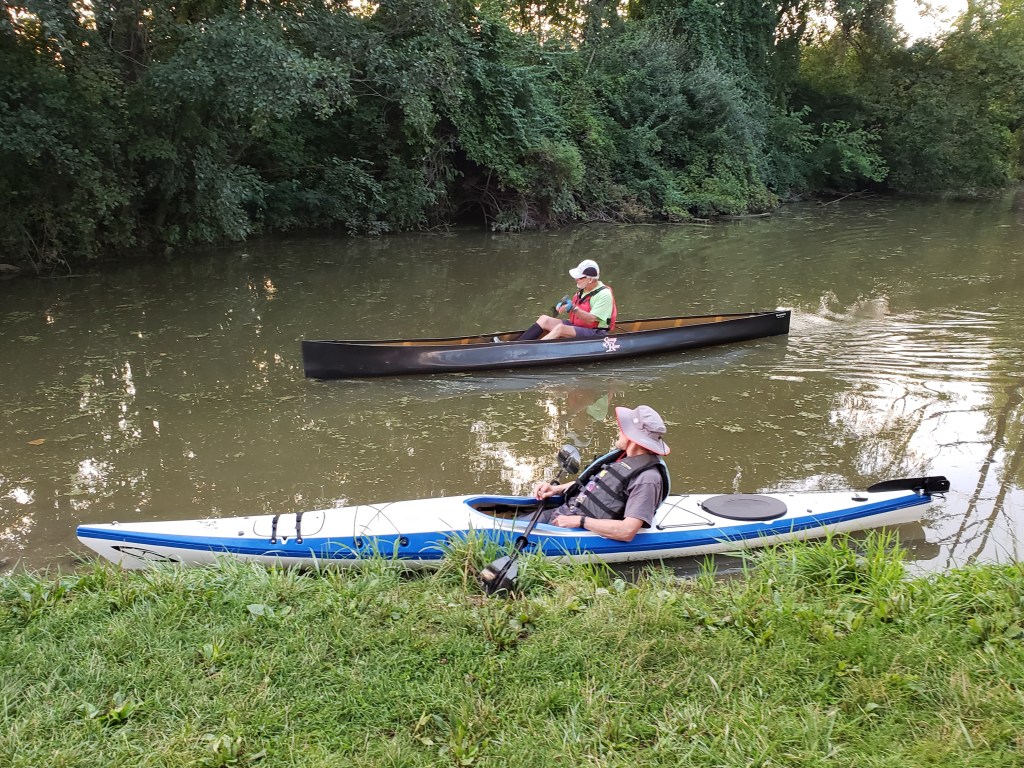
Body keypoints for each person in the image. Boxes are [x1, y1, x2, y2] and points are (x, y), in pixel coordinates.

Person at [533, 405, 670, 542]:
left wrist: (579, 521)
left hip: (575, 532)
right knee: (515, 516)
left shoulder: (648, 478)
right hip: (562, 513)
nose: (619, 432)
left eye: (622, 429)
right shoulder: (625, 458)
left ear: (632, 437)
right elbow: (596, 485)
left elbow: (627, 531)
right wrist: (555, 489)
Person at [516, 259, 617, 341]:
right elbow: (576, 308)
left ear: (590, 279)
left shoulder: (604, 295)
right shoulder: (583, 290)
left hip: (596, 333)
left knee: (560, 328)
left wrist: (572, 308)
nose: (576, 279)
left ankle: (529, 350)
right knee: (544, 319)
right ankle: (517, 344)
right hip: (579, 326)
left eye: (579, 278)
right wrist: (565, 306)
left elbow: (591, 319)